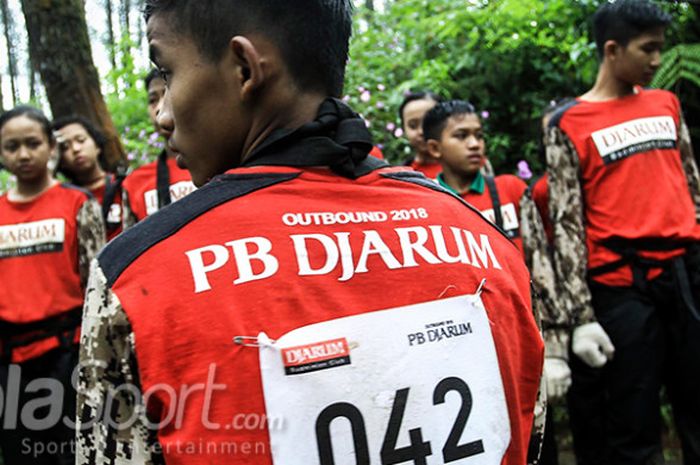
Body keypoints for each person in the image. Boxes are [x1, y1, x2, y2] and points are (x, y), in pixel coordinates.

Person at [76, 2, 544, 464]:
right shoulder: (486, 242)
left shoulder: (138, 276)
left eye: (169, 73)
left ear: (243, 69)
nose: (163, 115)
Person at [545, 1, 700, 463]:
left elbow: (691, 183)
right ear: (612, 50)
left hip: (685, 275)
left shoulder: (665, 104)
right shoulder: (567, 123)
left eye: (660, 49)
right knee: (633, 423)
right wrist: (580, 315)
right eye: (647, 49)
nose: (656, 60)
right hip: (621, 288)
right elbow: (567, 221)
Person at [424, 99, 572, 463]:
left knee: (539, 444)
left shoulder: (510, 191)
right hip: (463, 354)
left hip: (521, 343)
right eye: (461, 136)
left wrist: (552, 348)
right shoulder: (425, 201)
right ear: (434, 148)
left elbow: (542, 267)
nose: (475, 143)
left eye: (478, 135)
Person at [0, 106, 105, 464]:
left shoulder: (78, 204)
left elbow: (97, 284)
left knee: (70, 452)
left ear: (50, 147)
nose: (24, 154)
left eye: (33, 143)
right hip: (10, 361)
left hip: (67, 355)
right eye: (12, 146)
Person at [120, 69, 196, 228]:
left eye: (168, 93)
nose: (159, 107)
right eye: (153, 100)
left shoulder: (224, 166)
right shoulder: (135, 183)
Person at [52, 115, 124, 241]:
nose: (76, 149)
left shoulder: (125, 186)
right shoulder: (63, 199)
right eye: (65, 147)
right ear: (60, 159)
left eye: (81, 140)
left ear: (97, 145)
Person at [399, 91, 444, 178]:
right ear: (404, 130)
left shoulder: (469, 169)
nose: (421, 131)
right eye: (413, 125)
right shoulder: (400, 176)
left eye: (429, 122)